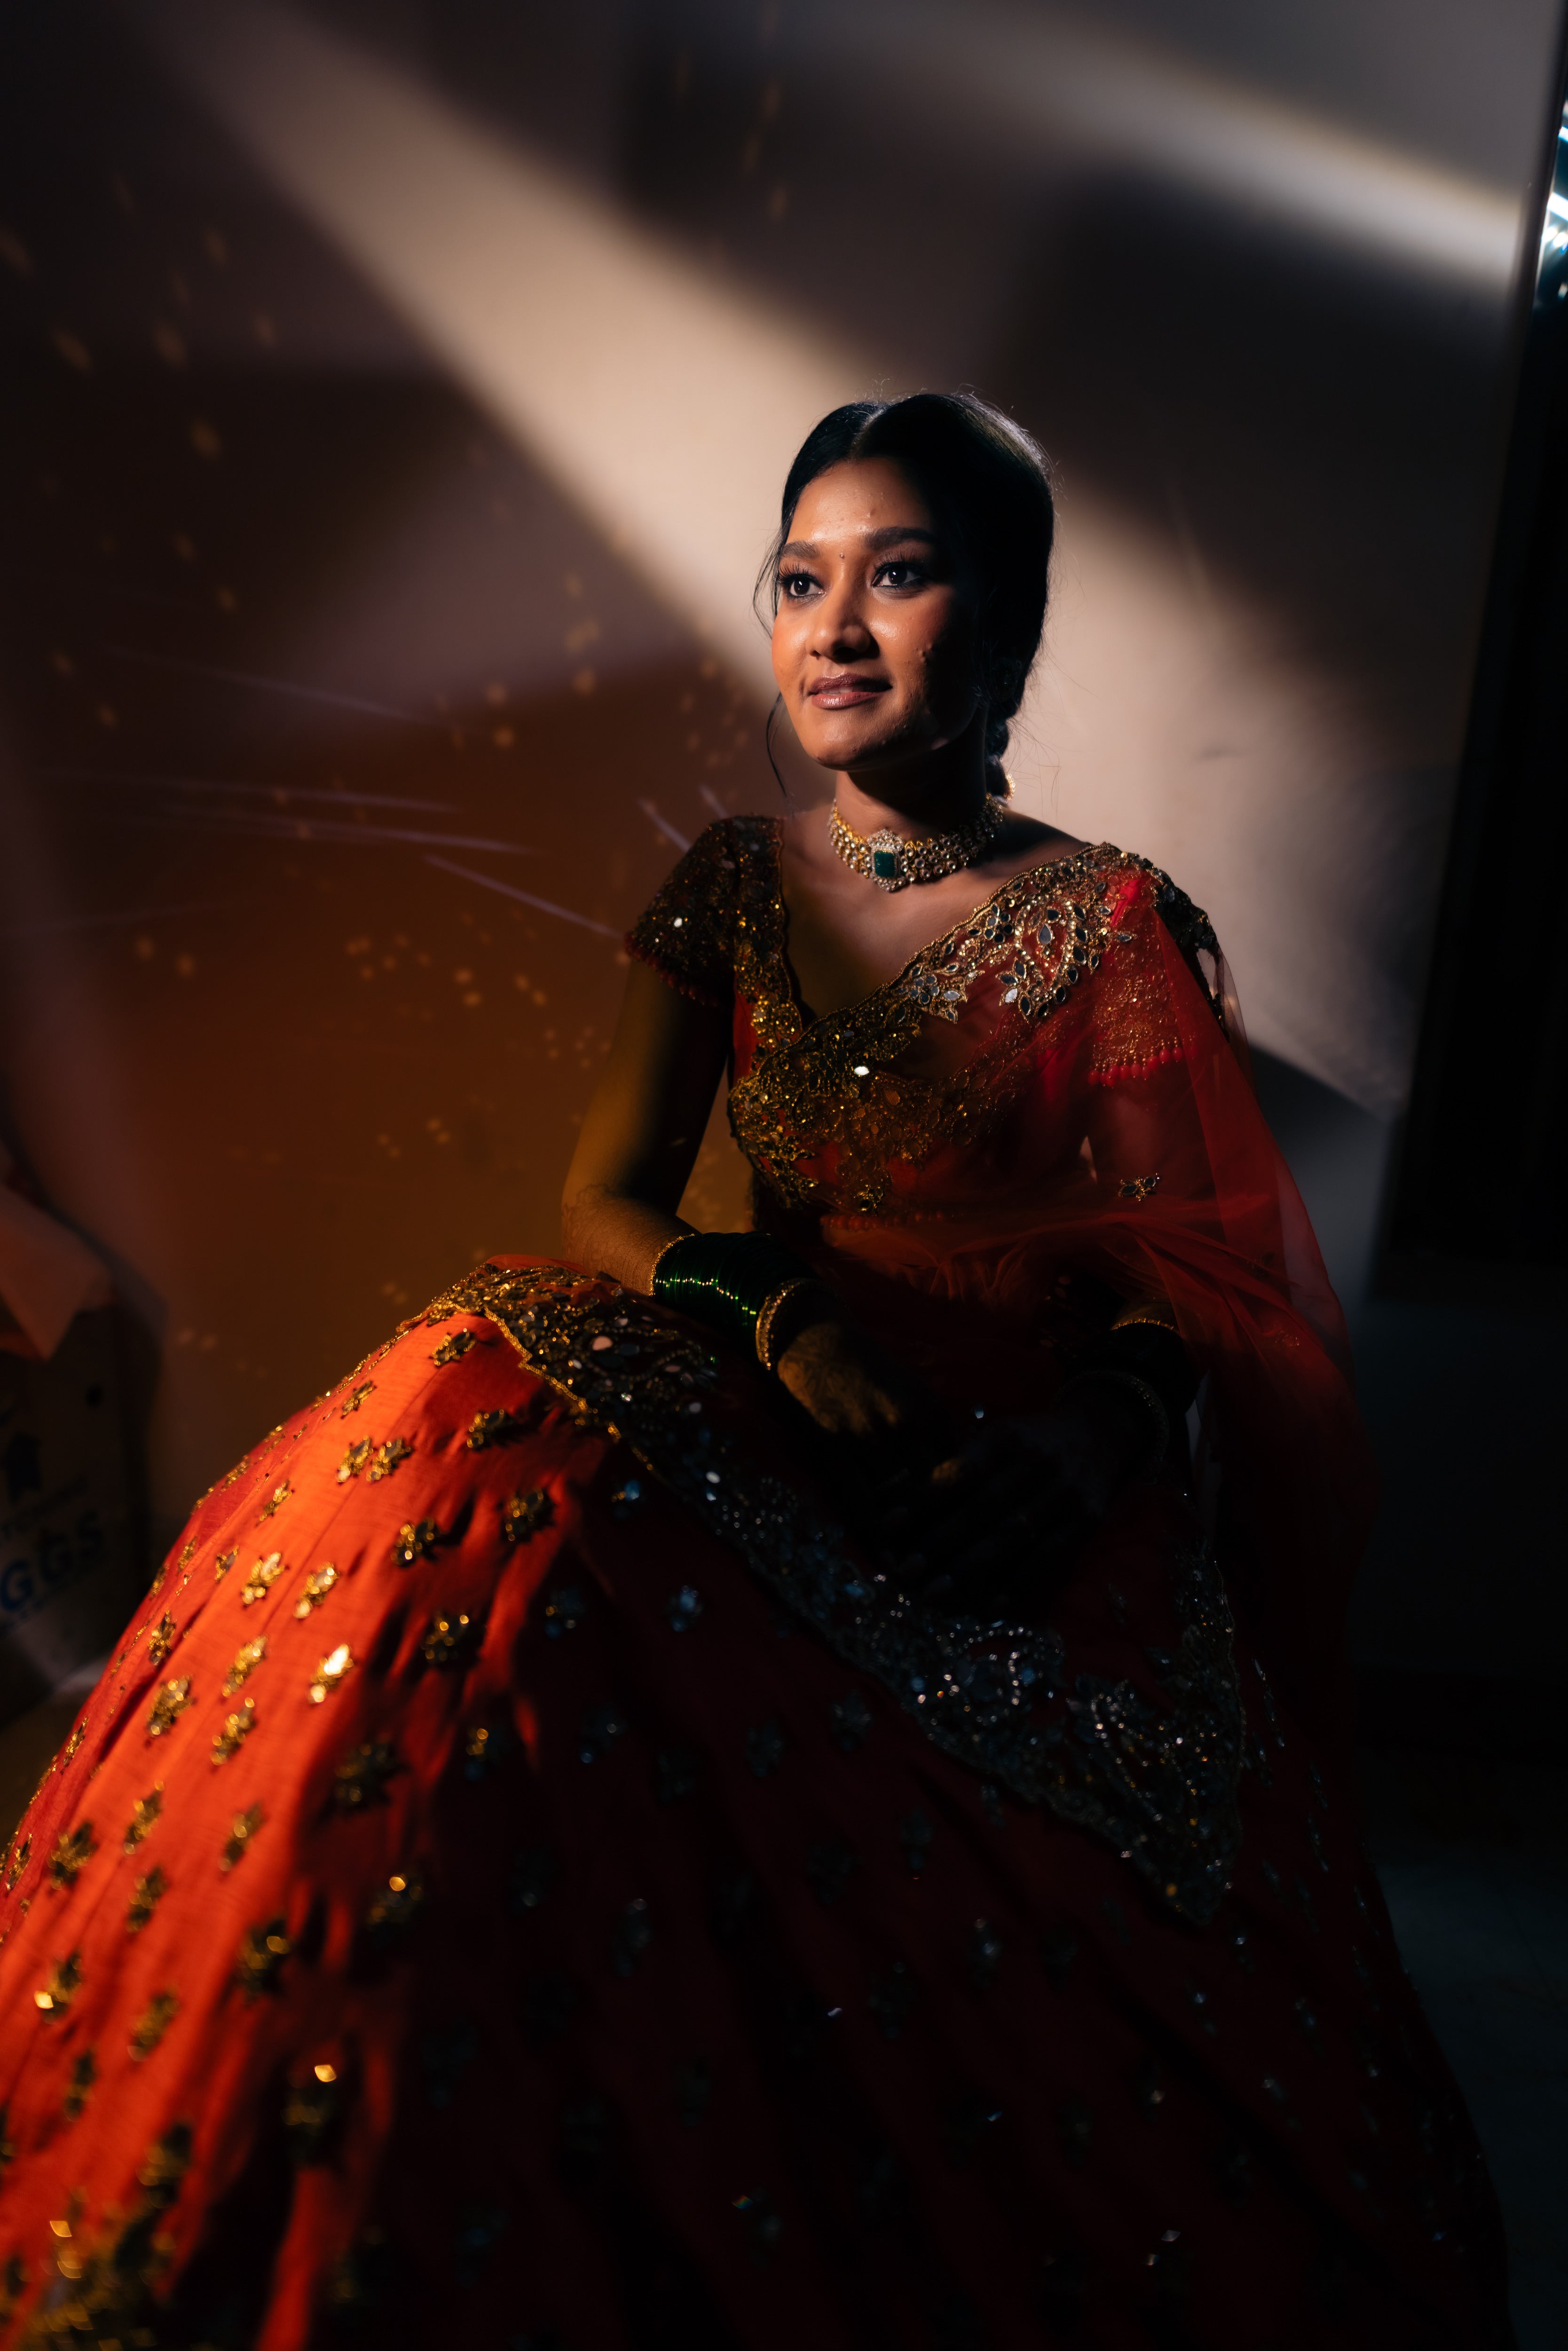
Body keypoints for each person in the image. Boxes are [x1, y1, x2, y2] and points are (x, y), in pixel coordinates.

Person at [0, 394, 1510, 2351]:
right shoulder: (732, 881)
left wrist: (1091, 1428)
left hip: (1006, 1466)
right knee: (463, 1452)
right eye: (802, 578)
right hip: (779, 1397)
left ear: (1017, 620)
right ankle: (314, 2077)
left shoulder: (1107, 922)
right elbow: (612, 1189)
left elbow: (1184, 1258)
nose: (836, 623)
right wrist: (782, 1324)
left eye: (899, 571)